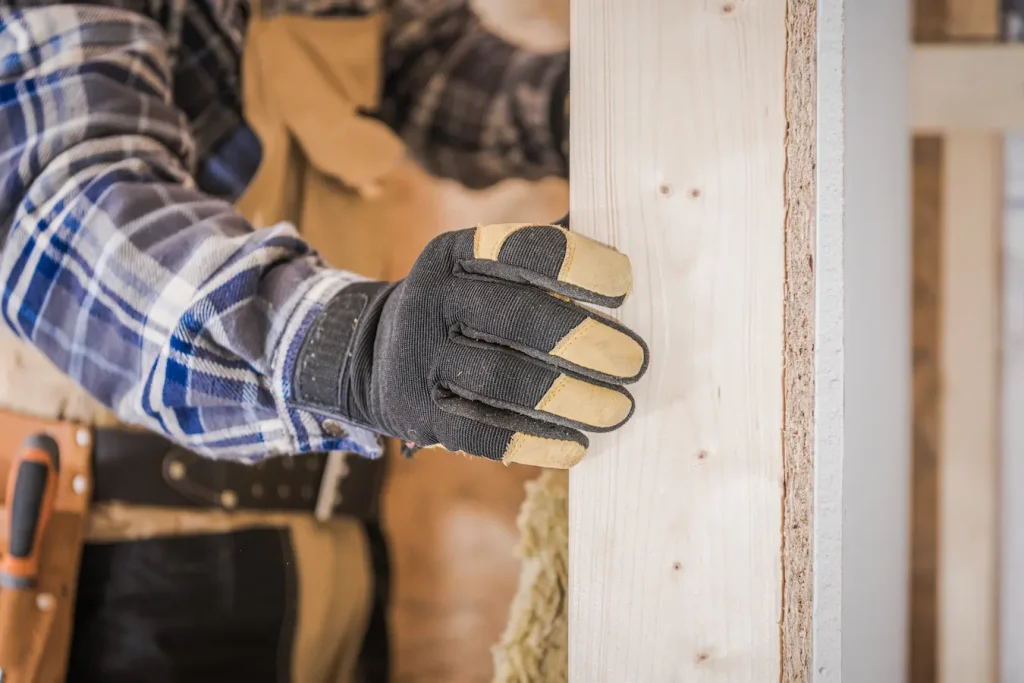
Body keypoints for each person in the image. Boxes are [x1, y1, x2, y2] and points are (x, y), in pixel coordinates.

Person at [0, 1, 649, 681]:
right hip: (133, 553)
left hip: (340, 531)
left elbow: (414, 63)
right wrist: (345, 348)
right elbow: (59, 206)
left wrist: (568, 104)